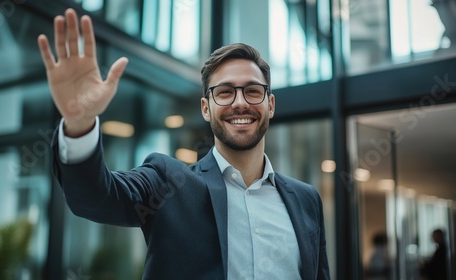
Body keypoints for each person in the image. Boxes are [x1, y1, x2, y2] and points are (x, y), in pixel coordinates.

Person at [37, 8, 330, 280]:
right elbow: (96, 199)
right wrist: (79, 123)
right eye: (225, 92)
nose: (240, 103)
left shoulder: (306, 200)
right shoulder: (168, 184)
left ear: (271, 105)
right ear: (205, 108)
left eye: (253, 91)